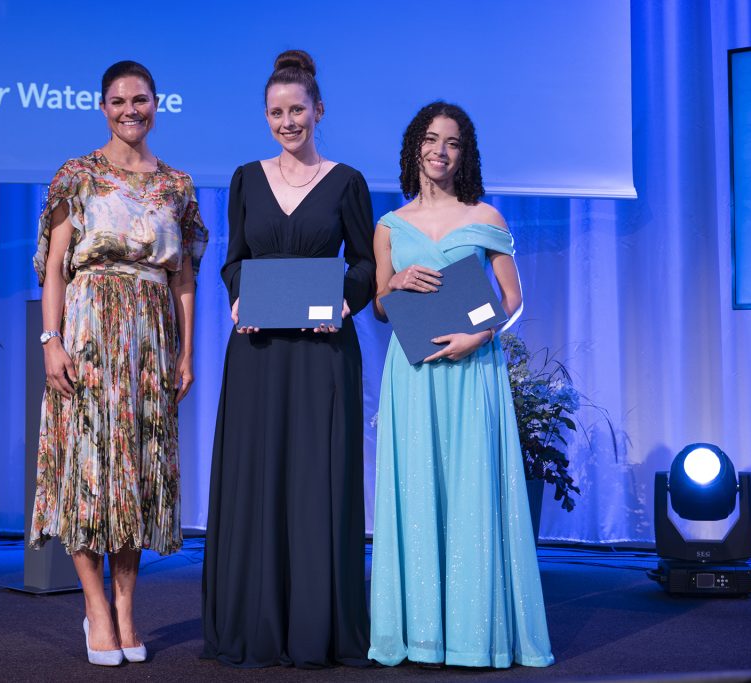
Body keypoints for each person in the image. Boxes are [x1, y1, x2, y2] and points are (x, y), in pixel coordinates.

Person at [29, 60, 207, 667]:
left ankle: (128, 610)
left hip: (151, 337)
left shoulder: (178, 184)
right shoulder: (76, 175)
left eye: (141, 99)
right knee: (87, 471)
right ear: (102, 107)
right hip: (86, 333)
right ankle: (96, 610)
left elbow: (183, 275)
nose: (130, 109)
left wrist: (185, 349)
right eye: (117, 100)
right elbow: (54, 267)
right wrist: (50, 340)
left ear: (158, 103)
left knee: (132, 472)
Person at [201, 49, 375, 668]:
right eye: (276, 112)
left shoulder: (347, 180)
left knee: (314, 481)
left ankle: (315, 628)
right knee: (258, 479)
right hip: (259, 350)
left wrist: (345, 303)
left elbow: (364, 264)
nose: (287, 121)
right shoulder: (246, 178)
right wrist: (236, 295)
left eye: (297, 109)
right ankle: (256, 624)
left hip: (322, 353)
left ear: (318, 110)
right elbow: (232, 259)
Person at [368, 102, 554, 668]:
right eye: (430, 139)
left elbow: (513, 301)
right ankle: (420, 633)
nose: (439, 150)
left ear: (463, 153)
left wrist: (479, 337)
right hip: (414, 373)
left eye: (451, 142)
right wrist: (395, 281)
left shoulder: (487, 217)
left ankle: (477, 635)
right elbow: (379, 306)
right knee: (417, 493)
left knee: (471, 493)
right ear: (414, 148)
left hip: (473, 371)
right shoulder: (389, 226)